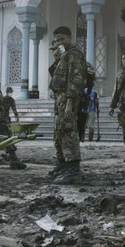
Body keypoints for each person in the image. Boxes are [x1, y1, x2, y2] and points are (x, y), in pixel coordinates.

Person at [47, 26, 87, 184]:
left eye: (62, 39)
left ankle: (73, 169)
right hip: (60, 97)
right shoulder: (64, 55)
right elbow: (56, 75)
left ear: (70, 38)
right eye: (56, 40)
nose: (59, 42)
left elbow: (75, 79)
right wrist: (57, 58)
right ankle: (63, 164)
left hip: (68, 98)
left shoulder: (74, 54)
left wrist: (70, 102)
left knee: (69, 130)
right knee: (60, 131)